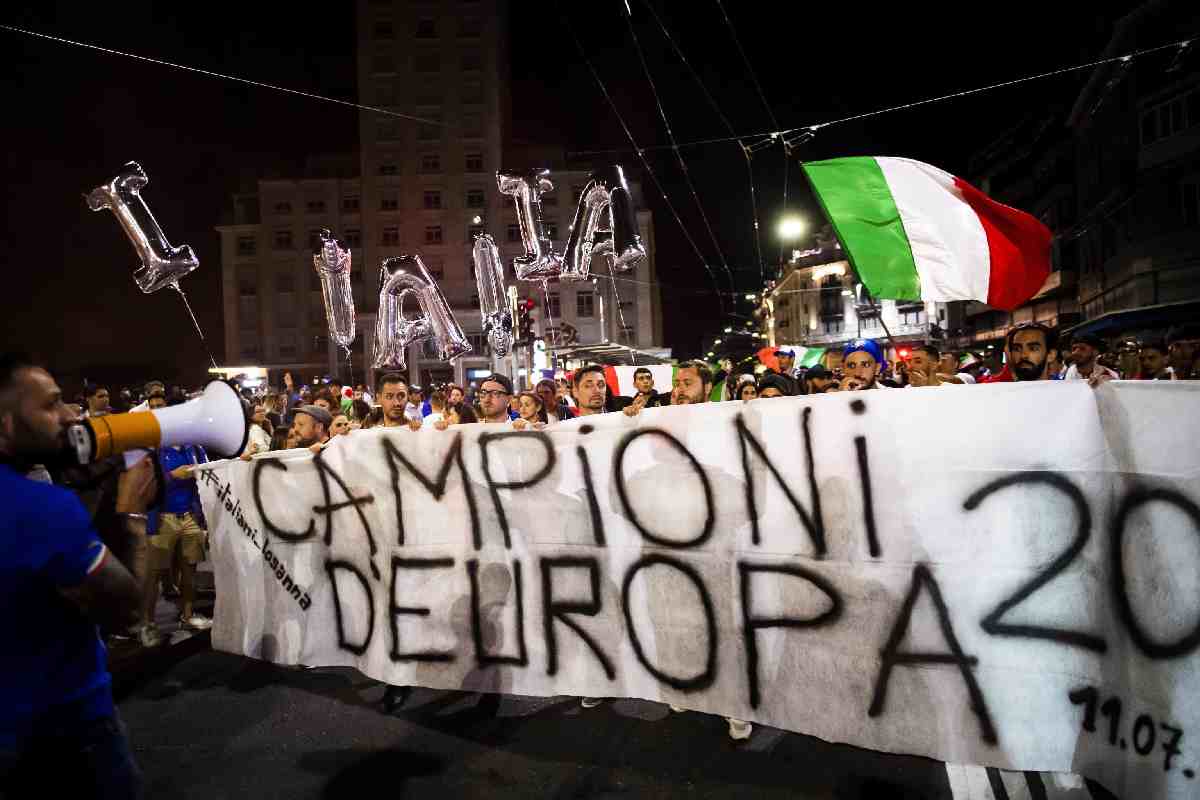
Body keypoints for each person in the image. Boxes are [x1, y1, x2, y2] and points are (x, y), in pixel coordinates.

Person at [1, 354, 157, 797]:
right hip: (65, 724)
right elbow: (125, 606)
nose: (69, 416)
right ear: (7, 425)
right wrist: (128, 510)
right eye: (51, 406)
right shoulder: (41, 510)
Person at [141, 438, 212, 646]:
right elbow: (144, 482)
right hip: (162, 518)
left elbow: (210, 472)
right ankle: (148, 625)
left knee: (190, 570)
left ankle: (187, 616)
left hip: (190, 517)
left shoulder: (195, 448)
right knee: (153, 575)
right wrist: (172, 476)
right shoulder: (153, 450)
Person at [982, 322, 1057, 383]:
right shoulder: (1001, 394)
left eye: (1033, 348)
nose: (1023, 355)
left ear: (1051, 355)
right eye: (1017, 349)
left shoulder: (1064, 393)